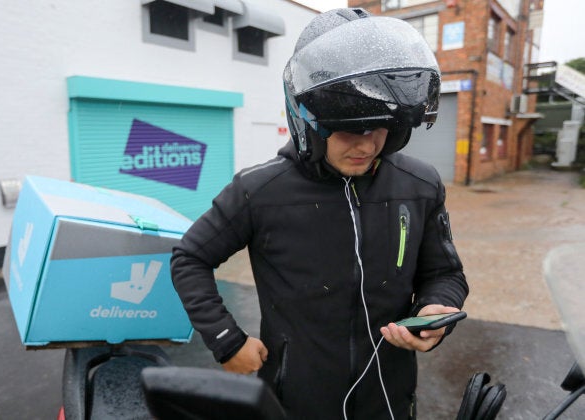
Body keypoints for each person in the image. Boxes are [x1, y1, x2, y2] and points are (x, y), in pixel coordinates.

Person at [170, 8, 468, 420]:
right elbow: (190, 258)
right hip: (296, 395)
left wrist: (436, 312)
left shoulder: (420, 184)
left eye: (379, 127)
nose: (366, 145)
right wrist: (227, 340)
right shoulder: (258, 190)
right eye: (349, 129)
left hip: (390, 393)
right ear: (311, 122)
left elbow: (444, 273)